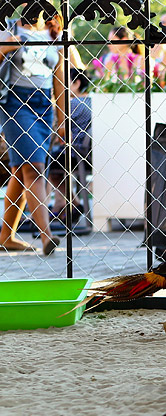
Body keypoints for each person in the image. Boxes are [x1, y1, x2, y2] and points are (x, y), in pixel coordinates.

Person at [0, 10, 65, 254]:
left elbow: (59, 79)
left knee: (21, 171)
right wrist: (3, 48)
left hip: (44, 105)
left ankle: (6, 236)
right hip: (15, 102)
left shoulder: (53, 30)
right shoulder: (7, 25)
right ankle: (46, 236)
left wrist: (62, 117)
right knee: (35, 167)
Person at [48, 67, 91, 228]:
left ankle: (69, 203)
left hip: (74, 154)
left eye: (64, 83)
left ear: (77, 83)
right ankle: (65, 205)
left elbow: (53, 127)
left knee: (46, 162)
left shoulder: (72, 104)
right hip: (89, 154)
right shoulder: (91, 100)